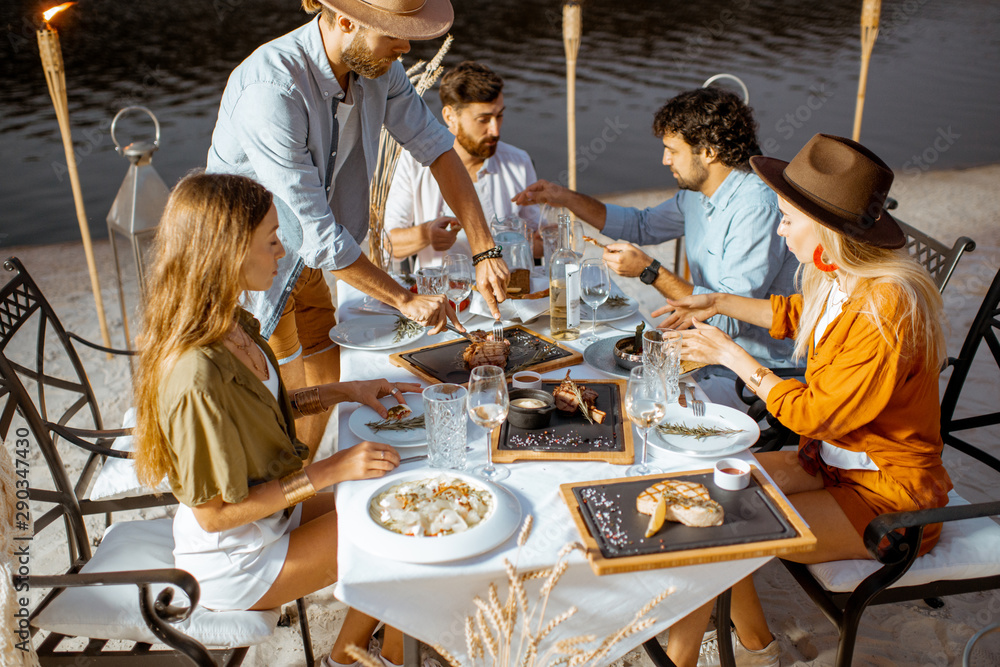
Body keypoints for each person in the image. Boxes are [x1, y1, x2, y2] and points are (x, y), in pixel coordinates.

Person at [658, 134, 953, 667]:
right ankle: (757, 649)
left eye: (787, 219)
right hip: (830, 463)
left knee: (720, 533)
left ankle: (728, 654)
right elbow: (796, 313)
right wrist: (716, 300)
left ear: (827, 230)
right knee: (703, 494)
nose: (779, 229)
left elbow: (814, 414)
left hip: (890, 499)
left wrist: (734, 357)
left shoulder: (885, 310)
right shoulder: (839, 276)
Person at [132, 172, 420, 667]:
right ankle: (377, 660)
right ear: (229, 252)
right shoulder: (196, 376)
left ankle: (356, 655)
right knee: (399, 538)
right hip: (237, 558)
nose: (282, 252)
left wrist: (345, 389)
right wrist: (327, 471)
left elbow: (268, 406)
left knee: (396, 497)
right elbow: (215, 514)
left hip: (270, 519)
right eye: (271, 241)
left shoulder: (231, 324)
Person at [207, 0, 508, 457]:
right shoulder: (271, 88)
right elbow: (318, 236)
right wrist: (404, 299)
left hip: (309, 260)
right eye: (394, 34)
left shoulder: (379, 68)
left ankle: (304, 475)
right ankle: (286, 499)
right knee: (280, 409)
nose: (405, 48)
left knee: (327, 375)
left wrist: (486, 250)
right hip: (250, 271)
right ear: (346, 21)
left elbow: (438, 150)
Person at [513, 88, 798, 403]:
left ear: (708, 152)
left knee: (626, 401)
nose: (664, 160)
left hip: (751, 377)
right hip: (700, 356)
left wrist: (649, 271)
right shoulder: (697, 193)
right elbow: (641, 225)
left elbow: (727, 318)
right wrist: (565, 197)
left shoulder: (756, 206)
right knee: (590, 374)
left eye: (672, 150)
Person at [384, 60, 541, 270]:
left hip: (507, 291)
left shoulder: (519, 161)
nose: (495, 130)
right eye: (484, 120)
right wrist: (427, 234)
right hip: (446, 295)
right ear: (450, 117)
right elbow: (388, 244)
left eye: (499, 116)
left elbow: (539, 243)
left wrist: (549, 234)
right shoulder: (412, 161)